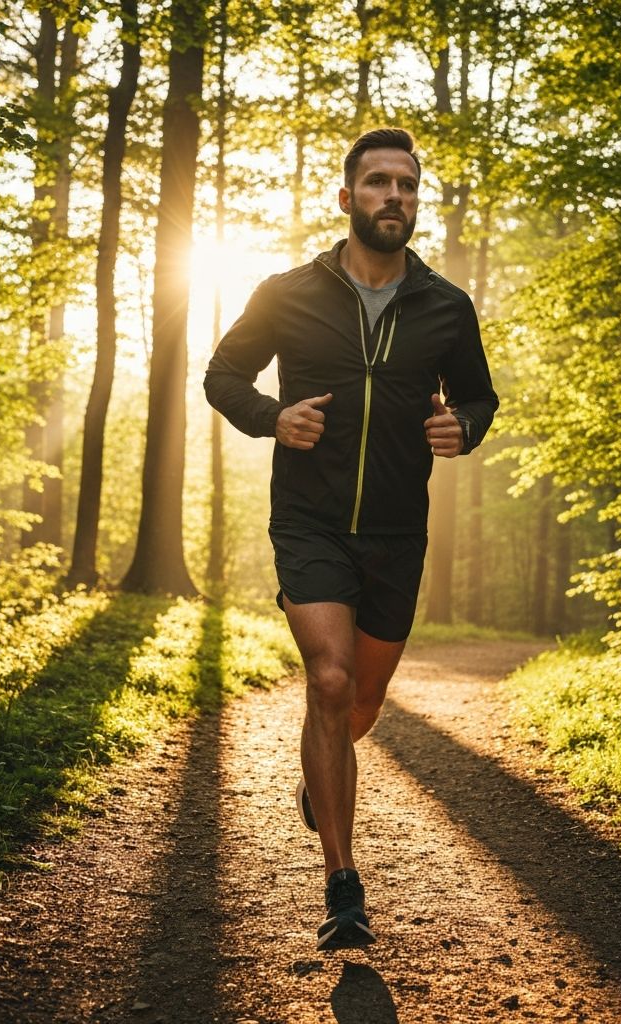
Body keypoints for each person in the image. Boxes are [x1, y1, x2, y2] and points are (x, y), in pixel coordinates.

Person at [203, 127, 498, 951]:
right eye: (377, 183)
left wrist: (461, 426)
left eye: (405, 185)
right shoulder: (287, 292)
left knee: (361, 701)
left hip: (399, 530)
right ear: (347, 199)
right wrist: (272, 417)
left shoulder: (445, 305)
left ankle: (319, 783)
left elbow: (479, 396)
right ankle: (343, 883)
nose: (393, 196)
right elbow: (222, 375)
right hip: (310, 521)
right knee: (328, 682)